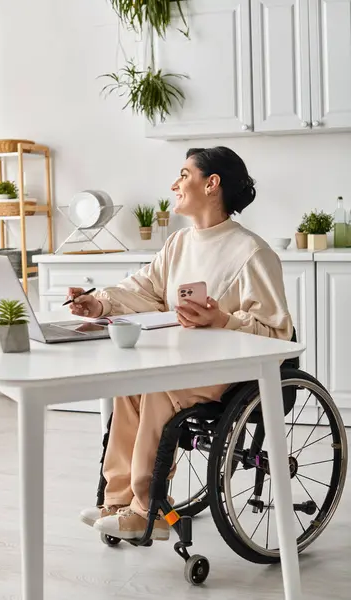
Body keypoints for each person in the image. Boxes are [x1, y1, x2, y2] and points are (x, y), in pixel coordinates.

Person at [68, 146, 293, 541]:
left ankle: (147, 510)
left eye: (184, 174)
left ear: (211, 184)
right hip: (188, 361)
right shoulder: (178, 244)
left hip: (232, 369)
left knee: (158, 389)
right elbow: (143, 289)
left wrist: (222, 319)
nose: (175, 184)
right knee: (130, 387)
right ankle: (117, 501)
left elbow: (276, 331)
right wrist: (99, 301)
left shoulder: (252, 252)